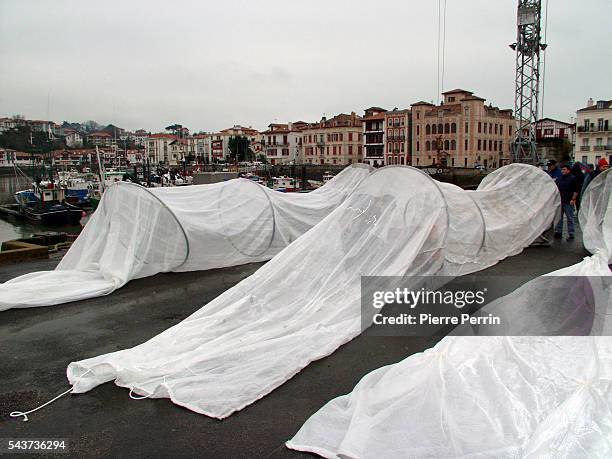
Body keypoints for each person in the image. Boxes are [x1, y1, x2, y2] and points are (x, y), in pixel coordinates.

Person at [554, 164, 578, 240]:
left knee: (570, 218)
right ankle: (558, 231)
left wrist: (573, 199)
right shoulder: (559, 178)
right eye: (562, 170)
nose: (563, 171)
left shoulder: (572, 178)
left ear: (568, 170)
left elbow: (576, 190)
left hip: (568, 201)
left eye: (564, 169)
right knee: (559, 218)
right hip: (560, 201)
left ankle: (571, 233)